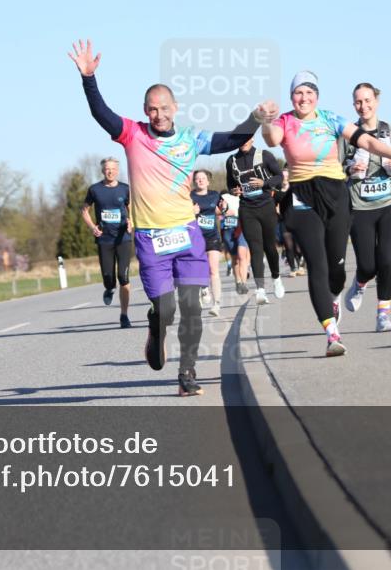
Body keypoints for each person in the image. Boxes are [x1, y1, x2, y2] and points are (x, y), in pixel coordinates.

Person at [69, 39, 277, 396]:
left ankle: (187, 373)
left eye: (164, 108)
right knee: (165, 309)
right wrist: (89, 79)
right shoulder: (132, 134)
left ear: (175, 107)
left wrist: (255, 119)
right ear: (145, 111)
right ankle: (156, 325)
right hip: (151, 238)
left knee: (192, 307)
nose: (158, 115)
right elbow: (101, 113)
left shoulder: (189, 138)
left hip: (187, 233)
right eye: (152, 109)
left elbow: (230, 138)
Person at [261, 71, 391, 357]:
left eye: (309, 93)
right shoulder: (283, 121)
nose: (303, 98)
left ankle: (334, 295)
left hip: (335, 196)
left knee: (336, 269)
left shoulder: (330, 119)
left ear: (317, 96)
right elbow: (271, 139)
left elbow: (365, 141)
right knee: (317, 265)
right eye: (298, 93)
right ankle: (332, 333)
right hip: (303, 197)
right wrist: (267, 121)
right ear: (291, 96)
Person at [341, 82, 391, 333]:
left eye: (368, 100)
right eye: (359, 102)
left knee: (386, 260)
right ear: (354, 105)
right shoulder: (348, 134)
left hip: (389, 202)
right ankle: (360, 284)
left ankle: (383, 315)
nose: (364, 106)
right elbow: (335, 167)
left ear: (377, 101)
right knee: (368, 265)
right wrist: (349, 169)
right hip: (359, 206)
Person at [226, 138, 285, 304]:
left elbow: (279, 176)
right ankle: (260, 289)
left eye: (246, 138)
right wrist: (233, 190)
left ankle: (276, 277)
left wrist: (264, 183)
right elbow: (230, 183)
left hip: (266, 206)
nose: (243, 141)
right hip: (247, 209)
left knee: (270, 248)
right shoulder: (231, 160)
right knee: (255, 248)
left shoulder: (264, 155)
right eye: (240, 138)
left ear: (252, 139)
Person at [81, 157, 133, 328]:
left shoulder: (125, 189)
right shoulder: (95, 189)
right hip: (104, 239)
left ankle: (124, 315)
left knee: (123, 277)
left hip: (123, 238)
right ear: (102, 171)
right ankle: (109, 288)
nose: (110, 171)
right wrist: (92, 227)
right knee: (108, 277)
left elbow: (132, 208)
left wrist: (131, 221)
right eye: (107, 169)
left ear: (117, 170)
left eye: (113, 168)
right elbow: (85, 211)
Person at [191, 170, 223, 317]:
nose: (200, 181)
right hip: (195, 238)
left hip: (212, 237)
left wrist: (226, 208)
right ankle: (204, 288)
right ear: (194, 182)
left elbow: (223, 209)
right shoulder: (189, 196)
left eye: (203, 178)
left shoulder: (215, 195)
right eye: (197, 179)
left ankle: (216, 304)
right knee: (198, 269)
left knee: (213, 269)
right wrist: (192, 212)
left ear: (208, 181)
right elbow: (180, 215)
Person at [220, 189, 251, 294]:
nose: (237, 189)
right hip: (228, 229)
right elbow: (216, 209)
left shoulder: (246, 197)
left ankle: (244, 283)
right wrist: (224, 210)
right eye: (235, 187)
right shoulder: (224, 197)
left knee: (242, 255)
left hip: (242, 228)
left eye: (239, 187)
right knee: (235, 258)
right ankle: (238, 281)